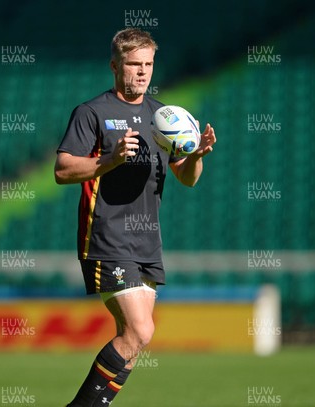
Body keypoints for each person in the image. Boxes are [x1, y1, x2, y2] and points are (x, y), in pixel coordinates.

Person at [54, 27, 216, 406]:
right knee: (140, 330)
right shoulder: (92, 112)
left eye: (148, 64)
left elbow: (187, 180)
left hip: (147, 243)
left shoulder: (163, 115)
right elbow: (62, 170)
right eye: (133, 64)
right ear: (115, 66)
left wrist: (195, 157)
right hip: (107, 237)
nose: (142, 72)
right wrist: (109, 161)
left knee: (136, 340)